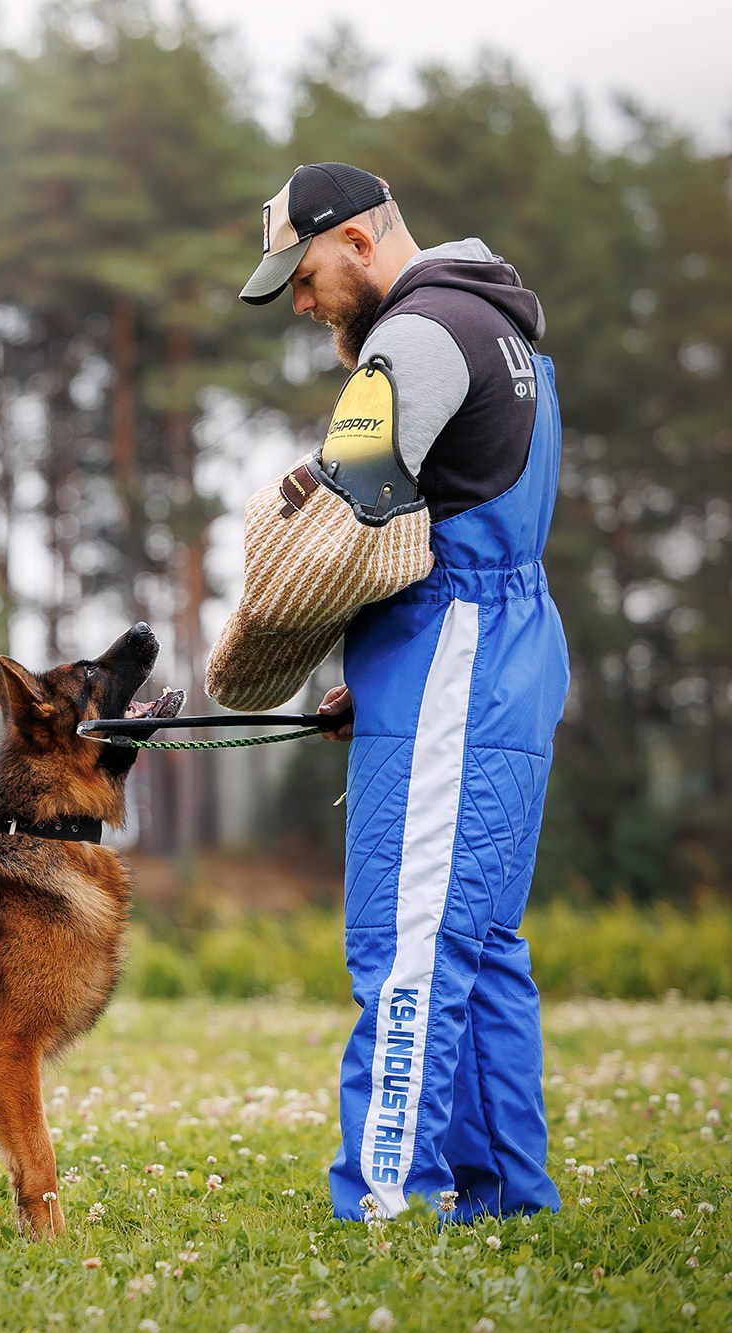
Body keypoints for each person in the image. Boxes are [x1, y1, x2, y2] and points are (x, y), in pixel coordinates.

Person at [238, 163, 569, 1221]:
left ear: (360, 239)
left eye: (303, 270)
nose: (297, 298)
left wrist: (271, 646)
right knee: (477, 945)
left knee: (408, 945)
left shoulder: (412, 338)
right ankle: (500, 1196)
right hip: (499, 655)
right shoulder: (502, 330)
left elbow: (342, 523)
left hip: (453, 655)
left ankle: (389, 1199)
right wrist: (374, 679)